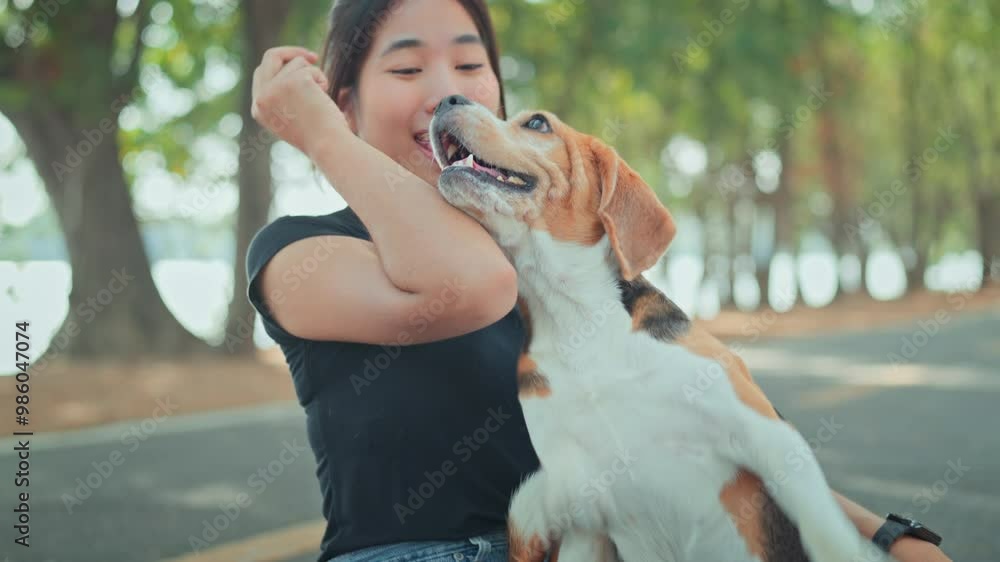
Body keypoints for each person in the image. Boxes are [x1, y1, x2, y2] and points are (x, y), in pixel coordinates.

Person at [246, 1, 953, 561]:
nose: (447, 94)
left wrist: (881, 534)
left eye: (471, 66)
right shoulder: (301, 251)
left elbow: (719, 434)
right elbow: (470, 286)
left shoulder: (551, 263)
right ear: (343, 107)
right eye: (405, 72)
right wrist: (322, 139)